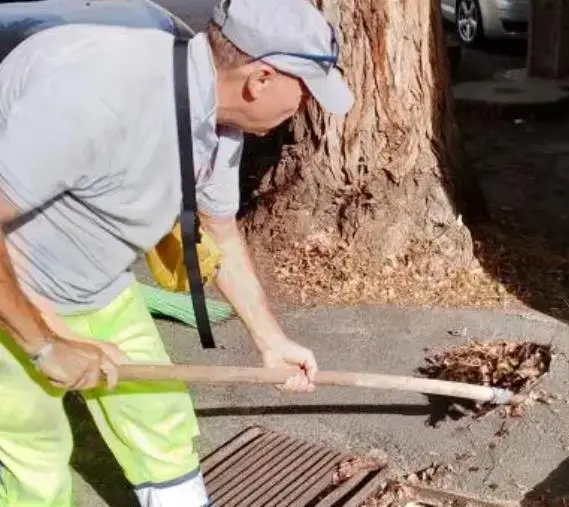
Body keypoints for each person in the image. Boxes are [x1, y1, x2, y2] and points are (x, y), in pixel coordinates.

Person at [0, 0, 354, 504]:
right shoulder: (97, 96)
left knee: (160, 421)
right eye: (303, 91)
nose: (304, 108)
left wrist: (271, 340)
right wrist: (45, 342)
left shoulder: (221, 119)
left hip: (98, 283)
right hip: (11, 295)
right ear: (261, 78)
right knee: (37, 461)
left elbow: (220, 232)